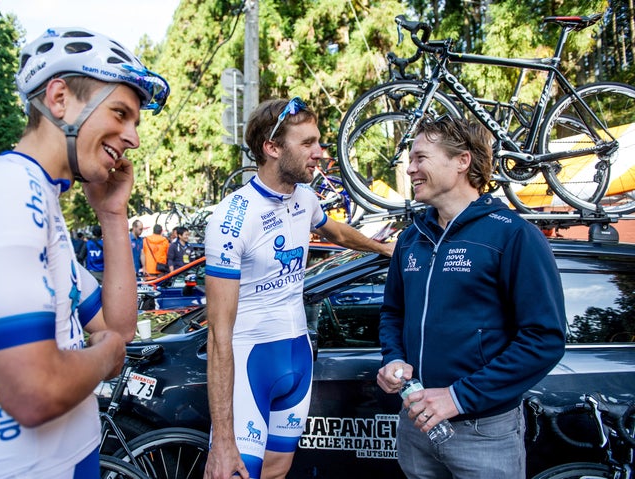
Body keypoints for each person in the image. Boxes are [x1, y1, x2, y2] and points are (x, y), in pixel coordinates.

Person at [0, 26, 169, 477]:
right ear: (58, 99)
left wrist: (113, 217)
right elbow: (35, 391)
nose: (131, 137)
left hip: (71, 459)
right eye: (120, 112)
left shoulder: (38, 201)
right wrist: (104, 358)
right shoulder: (1, 187)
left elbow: (119, 327)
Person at [203, 97, 394, 479]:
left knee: (278, 471)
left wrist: (380, 247)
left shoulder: (305, 197)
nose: (320, 153)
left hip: (297, 355)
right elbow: (217, 335)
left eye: (318, 142)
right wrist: (222, 438)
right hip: (250, 362)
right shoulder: (231, 218)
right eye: (307, 144)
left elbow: (334, 229)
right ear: (272, 148)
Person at [376, 117, 566, 479]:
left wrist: (458, 397)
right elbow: (392, 314)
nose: (410, 168)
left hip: (484, 434)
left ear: (462, 161)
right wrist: (394, 357)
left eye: (420, 157)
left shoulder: (514, 236)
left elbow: (545, 339)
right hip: (416, 425)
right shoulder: (410, 238)